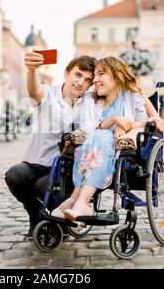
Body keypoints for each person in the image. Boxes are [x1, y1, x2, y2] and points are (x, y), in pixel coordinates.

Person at [5, 52, 97, 238]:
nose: (81, 83)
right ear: (67, 73)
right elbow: (33, 91)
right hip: (37, 161)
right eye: (78, 75)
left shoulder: (90, 102)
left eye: (87, 80)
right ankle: (36, 214)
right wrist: (32, 70)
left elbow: (119, 92)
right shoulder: (48, 93)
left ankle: (58, 217)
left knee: (43, 186)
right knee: (14, 175)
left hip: (68, 167)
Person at [51, 56, 150, 220]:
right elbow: (87, 129)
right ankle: (79, 201)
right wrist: (114, 120)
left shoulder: (132, 96)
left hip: (118, 148)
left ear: (117, 74)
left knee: (101, 138)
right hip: (91, 146)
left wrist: (124, 125)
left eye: (101, 74)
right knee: (97, 137)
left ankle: (79, 201)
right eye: (94, 76)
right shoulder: (90, 99)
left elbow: (144, 122)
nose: (95, 80)